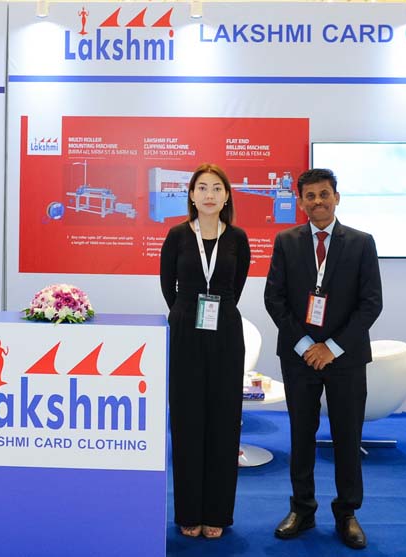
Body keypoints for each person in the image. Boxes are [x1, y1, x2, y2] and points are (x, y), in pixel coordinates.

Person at [263, 168, 382, 550]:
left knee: (347, 436)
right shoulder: (286, 241)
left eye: (324, 194)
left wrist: (331, 347)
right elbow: (274, 299)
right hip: (299, 357)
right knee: (301, 435)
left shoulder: (361, 243)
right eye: (310, 196)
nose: (318, 201)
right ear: (301, 202)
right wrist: (305, 346)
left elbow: (371, 304)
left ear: (336, 197)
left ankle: (347, 513)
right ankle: (302, 509)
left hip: (345, 358)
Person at [158, 163, 251, 540]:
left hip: (225, 331)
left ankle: (217, 512)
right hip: (185, 331)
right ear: (191, 196)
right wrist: (185, 312)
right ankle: (189, 511)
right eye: (202, 188)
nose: (209, 194)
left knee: (224, 423)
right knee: (186, 421)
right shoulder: (177, 235)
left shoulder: (238, 238)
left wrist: (216, 310)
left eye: (216, 188)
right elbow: (168, 285)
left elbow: (237, 285)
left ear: (227, 196)